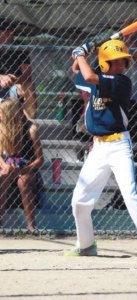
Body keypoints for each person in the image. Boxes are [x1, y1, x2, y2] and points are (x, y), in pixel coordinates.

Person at [67, 39, 137, 260]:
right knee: (79, 199)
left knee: (130, 195)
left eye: (122, 61)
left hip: (118, 146)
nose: (120, 65)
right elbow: (77, 71)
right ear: (104, 64)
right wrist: (81, 53)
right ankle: (86, 244)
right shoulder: (96, 80)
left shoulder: (121, 82)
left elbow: (87, 75)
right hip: (98, 148)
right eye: (114, 62)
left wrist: (81, 55)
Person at [0, 98, 44, 230]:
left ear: (11, 113)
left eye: (2, 112)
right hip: (9, 165)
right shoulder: (2, 128)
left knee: (23, 181)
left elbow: (40, 159)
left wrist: (23, 170)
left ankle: (32, 226)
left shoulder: (31, 129)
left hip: (28, 167)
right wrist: (4, 166)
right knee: (3, 177)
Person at [0, 21, 37, 118]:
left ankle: (29, 120)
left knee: (29, 86)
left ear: (9, 33)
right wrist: (1, 77)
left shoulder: (20, 47)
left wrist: (14, 79)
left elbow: (27, 75)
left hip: (13, 85)